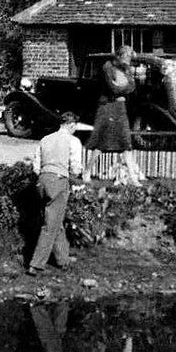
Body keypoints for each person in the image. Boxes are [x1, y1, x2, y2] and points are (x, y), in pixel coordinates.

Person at [28, 110, 83, 276]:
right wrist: (75, 175)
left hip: (42, 181)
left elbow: (36, 165)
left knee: (55, 220)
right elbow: (75, 166)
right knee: (50, 225)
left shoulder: (45, 139)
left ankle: (63, 260)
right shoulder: (73, 141)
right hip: (58, 180)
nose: (75, 130)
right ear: (71, 124)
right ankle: (35, 264)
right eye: (75, 127)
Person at [84, 45, 143, 184]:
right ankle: (87, 172)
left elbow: (132, 86)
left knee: (125, 142)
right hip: (107, 107)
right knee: (102, 142)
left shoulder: (125, 69)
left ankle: (133, 178)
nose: (129, 62)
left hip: (120, 107)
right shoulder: (107, 67)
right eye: (128, 58)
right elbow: (113, 88)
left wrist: (123, 86)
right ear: (120, 56)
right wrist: (124, 87)